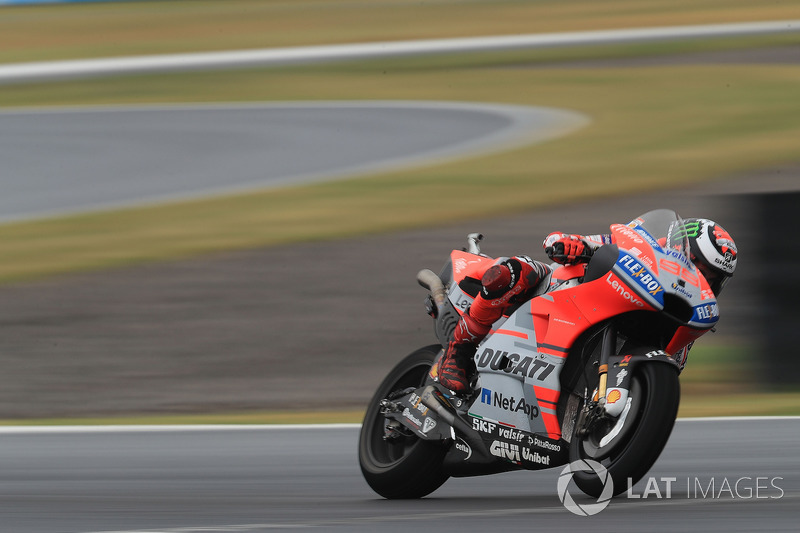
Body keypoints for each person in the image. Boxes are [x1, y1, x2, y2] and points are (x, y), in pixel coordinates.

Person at [434, 218, 738, 393]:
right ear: (681, 245)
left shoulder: (680, 330)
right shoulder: (639, 245)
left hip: (588, 344)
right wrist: (572, 244)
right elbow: (566, 241)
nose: (702, 280)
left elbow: (658, 383)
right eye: (700, 267)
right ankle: (457, 352)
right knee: (511, 273)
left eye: (713, 279)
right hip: (558, 292)